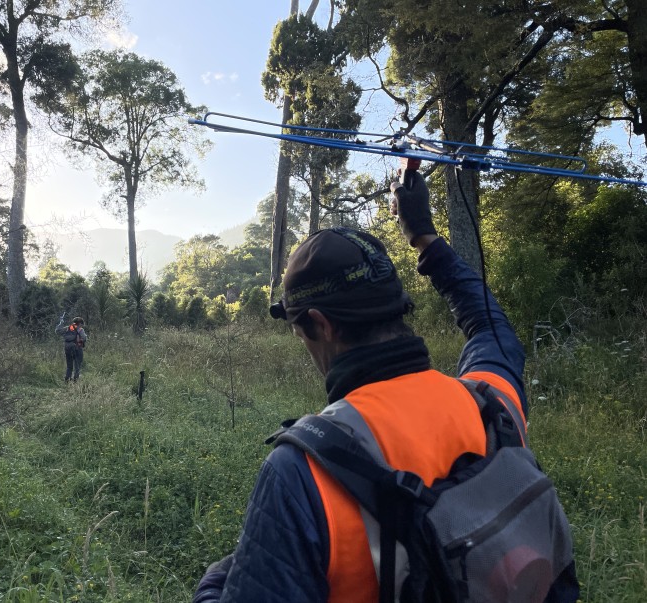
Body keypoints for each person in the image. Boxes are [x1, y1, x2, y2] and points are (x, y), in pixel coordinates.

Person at [193, 171, 578, 602]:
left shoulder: (302, 474)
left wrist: (213, 583)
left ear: (319, 324)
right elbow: (492, 329)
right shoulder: (491, 407)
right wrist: (425, 238)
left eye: (300, 333)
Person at [56, 315, 87, 383]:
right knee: (77, 366)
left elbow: (57, 331)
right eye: (82, 324)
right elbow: (84, 338)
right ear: (80, 323)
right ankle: (75, 381)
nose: (82, 326)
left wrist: (61, 322)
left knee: (69, 366)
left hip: (67, 348)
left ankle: (67, 380)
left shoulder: (67, 328)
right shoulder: (80, 329)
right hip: (77, 348)